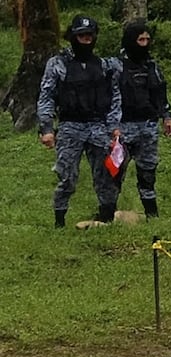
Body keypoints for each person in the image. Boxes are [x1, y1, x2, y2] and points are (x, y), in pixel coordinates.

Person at [37, 15, 122, 228]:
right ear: (73, 36)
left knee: (106, 174)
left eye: (90, 35)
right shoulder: (58, 64)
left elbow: (114, 97)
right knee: (67, 176)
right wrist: (47, 128)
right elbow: (46, 96)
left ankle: (106, 218)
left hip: (98, 126)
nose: (86, 38)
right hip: (70, 127)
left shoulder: (104, 65)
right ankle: (59, 222)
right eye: (81, 35)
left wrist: (114, 127)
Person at [114, 20, 171, 218]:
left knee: (148, 170)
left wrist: (167, 117)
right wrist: (111, 126)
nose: (145, 43)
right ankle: (107, 210)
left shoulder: (152, 66)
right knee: (115, 171)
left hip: (147, 127)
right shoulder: (115, 67)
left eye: (147, 39)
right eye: (140, 39)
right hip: (122, 127)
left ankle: (152, 213)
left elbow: (160, 95)